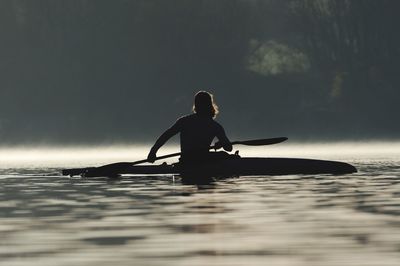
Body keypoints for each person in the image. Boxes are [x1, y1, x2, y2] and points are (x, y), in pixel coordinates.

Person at [147, 91, 232, 164]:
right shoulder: (214, 126)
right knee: (225, 156)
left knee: (223, 155)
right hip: (196, 161)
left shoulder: (185, 121)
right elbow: (229, 148)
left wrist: (153, 151)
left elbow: (166, 135)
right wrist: (153, 151)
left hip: (188, 160)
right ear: (210, 106)